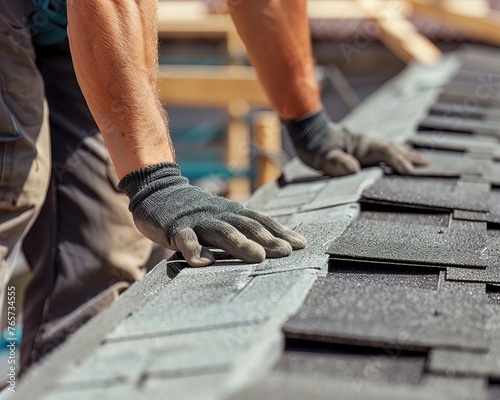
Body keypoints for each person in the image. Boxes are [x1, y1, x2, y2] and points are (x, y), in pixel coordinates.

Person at [0, 0, 424, 375]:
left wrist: (308, 124)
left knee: (102, 247)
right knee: (13, 181)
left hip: (68, 23)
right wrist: (155, 182)